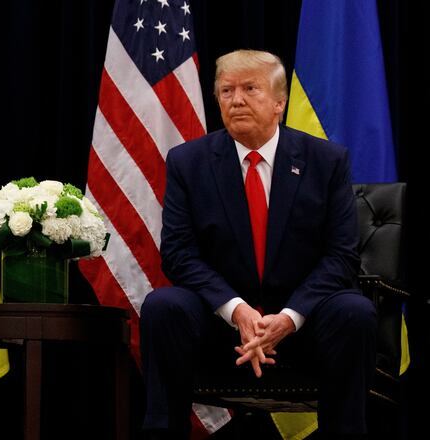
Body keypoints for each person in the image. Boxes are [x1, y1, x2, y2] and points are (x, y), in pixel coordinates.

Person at [139, 50, 375, 439]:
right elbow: (179, 253)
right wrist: (237, 311)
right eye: (227, 90)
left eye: (251, 89)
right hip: (221, 326)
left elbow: (341, 255)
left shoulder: (326, 160)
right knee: (164, 307)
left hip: (305, 324)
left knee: (355, 312)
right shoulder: (187, 161)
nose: (236, 100)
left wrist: (289, 317)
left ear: (280, 102)